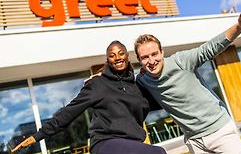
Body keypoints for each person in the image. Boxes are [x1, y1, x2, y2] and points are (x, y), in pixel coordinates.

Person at [134, 12, 241, 154]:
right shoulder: (143, 80)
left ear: (162, 52)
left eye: (154, 54)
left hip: (220, 131)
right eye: (145, 57)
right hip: (194, 141)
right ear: (139, 60)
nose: (151, 61)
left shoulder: (180, 61)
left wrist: (240, 27)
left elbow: (210, 48)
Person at [12, 41, 167, 154]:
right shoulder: (97, 84)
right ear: (108, 60)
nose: (117, 57)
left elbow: (160, 102)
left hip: (133, 144)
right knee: (157, 153)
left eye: (121, 53)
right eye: (112, 55)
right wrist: (38, 135)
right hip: (105, 143)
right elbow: (69, 112)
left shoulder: (136, 88)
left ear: (127, 56)